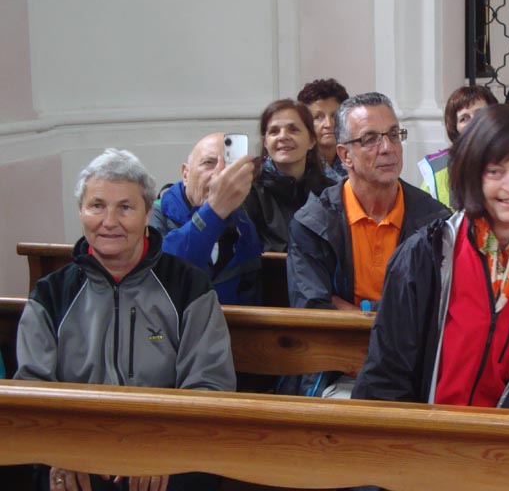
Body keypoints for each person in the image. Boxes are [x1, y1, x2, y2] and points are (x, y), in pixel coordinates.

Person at [16, 148, 235, 490]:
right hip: (75, 450)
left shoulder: (189, 286)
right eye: (97, 206)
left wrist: (161, 450)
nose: (109, 222)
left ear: (147, 213)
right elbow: (32, 389)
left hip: (170, 448)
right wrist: (62, 448)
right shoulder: (50, 294)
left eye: (125, 208)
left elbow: (210, 385)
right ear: (81, 211)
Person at [352, 104, 509, 408]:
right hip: (424, 431)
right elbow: (386, 378)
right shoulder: (425, 256)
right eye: (495, 171)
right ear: (473, 174)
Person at [285, 92, 449, 397]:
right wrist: (394, 314)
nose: (387, 148)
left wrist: (356, 309)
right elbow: (314, 310)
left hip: (416, 372)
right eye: (370, 139)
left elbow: (436, 310)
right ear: (345, 155)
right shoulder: (313, 223)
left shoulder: (434, 221)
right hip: (339, 371)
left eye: (393, 135)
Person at [150, 133, 262, 305]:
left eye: (228, 166)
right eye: (209, 163)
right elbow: (165, 277)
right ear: (185, 174)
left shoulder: (243, 224)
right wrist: (213, 211)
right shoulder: (153, 215)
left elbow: (251, 297)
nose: (219, 175)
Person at [244, 99, 335, 252]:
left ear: (312, 140)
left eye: (293, 130)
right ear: (265, 142)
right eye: (274, 131)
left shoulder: (331, 192)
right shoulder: (248, 191)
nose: (283, 136)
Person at [418, 85, 498, 207]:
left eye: (480, 114)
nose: (473, 122)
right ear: (455, 128)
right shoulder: (437, 170)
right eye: (464, 118)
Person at [297, 78, 350, 182]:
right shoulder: (299, 165)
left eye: (334, 116)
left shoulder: (353, 159)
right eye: (318, 117)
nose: (328, 124)